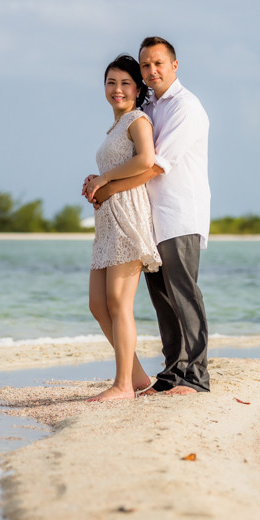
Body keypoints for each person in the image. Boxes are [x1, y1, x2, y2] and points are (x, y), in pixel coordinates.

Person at [89, 37, 211, 394]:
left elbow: (156, 165)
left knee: (183, 294)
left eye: (158, 63)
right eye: (146, 65)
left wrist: (108, 187)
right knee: (162, 299)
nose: (152, 70)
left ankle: (197, 377)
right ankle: (173, 372)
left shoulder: (185, 107)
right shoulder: (152, 106)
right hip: (149, 216)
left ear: (174, 65)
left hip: (179, 212)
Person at [82, 54, 162, 402]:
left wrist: (105, 178)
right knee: (98, 305)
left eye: (125, 82)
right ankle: (139, 376)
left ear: (138, 87)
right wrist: (95, 182)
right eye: (111, 82)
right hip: (107, 221)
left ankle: (122, 386)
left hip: (129, 216)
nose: (117, 89)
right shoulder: (114, 127)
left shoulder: (137, 120)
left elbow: (146, 160)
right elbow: (120, 165)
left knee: (118, 302)